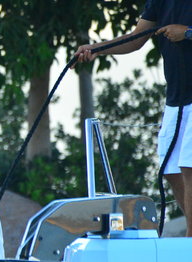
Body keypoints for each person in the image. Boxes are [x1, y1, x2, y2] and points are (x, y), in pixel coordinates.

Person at [74, 2, 192, 237]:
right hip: (177, 99)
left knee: (189, 166)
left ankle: (188, 245)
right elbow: (137, 38)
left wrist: (188, 32)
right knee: (171, 169)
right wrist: (97, 49)